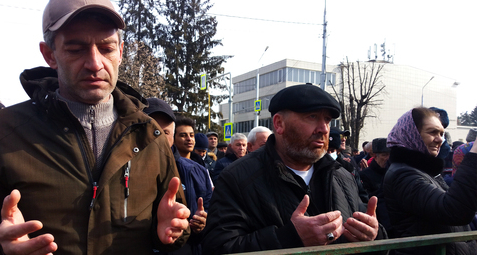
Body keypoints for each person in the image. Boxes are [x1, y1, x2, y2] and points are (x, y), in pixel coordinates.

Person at [0, 0, 190, 254]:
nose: (95, 63)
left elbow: (175, 221)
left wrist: (171, 231)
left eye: (106, 48)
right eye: (76, 49)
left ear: (121, 52)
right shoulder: (1, 133)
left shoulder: (150, 135)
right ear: (49, 55)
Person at [202, 84, 385, 254]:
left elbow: (371, 234)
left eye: (327, 120)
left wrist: (375, 235)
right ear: (279, 123)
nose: (323, 129)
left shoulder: (342, 175)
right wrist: (289, 238)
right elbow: (218, 247)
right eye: (312, 117)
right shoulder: (237, 177)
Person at [383, 107, 477, 255]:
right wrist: (474, 157)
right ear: (412, 135)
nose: (440, 139)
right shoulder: (403, 176)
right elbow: (455, 210)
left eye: (441, 133)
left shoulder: (427, 171)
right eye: (432, 132)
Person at [144, 99, 212, 255]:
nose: (158, 136)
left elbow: (213, 218)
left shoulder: (197, 172)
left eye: (165, 132)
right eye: (152, 129)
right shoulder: (120, 169)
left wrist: (201, 225)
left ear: (172, 137)